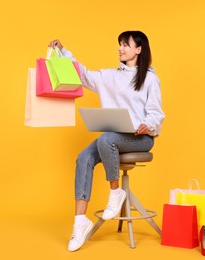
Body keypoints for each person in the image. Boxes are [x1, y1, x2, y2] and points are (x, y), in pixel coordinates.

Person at [48, 31, 165, 252]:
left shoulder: (150, 79)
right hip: (113, 137)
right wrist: (63, 52)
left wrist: (147, 125)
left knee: (106, 139)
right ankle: (80, 222)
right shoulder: (109, 76)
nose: (120, 48)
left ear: (139, 50)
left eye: (125, 45)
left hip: (141, 139)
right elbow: (82, 75)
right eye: (119, 44)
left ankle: (115, 192)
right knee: (84, 157)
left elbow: (156, 113)